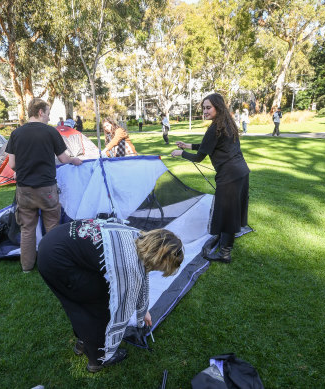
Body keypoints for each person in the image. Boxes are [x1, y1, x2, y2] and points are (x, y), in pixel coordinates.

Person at [38, 219, 183, 373]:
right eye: (162, 268)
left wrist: (144, 309)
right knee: (101, 308)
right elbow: (122, 308)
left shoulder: (138, 236)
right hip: (57, 261)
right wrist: (134, 316)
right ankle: (99, 358)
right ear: (158, 259)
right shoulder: (129, 265)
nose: (158, 271)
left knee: (79, 303)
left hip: (53, 241)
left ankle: (82, 341)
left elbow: (143, 273)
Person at [5, 98, 83, 272]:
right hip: (46, 189)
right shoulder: (51, 132)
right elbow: (63, 159)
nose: (48, 117)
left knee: (27, 229)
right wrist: (74, 160)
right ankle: (54, 265)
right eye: (48, 113)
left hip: (24, 190)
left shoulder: (16, 133)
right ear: (40, 112)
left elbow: (12, 165)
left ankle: (26, 267)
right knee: (53, 228)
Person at [170, 93, 249, 263]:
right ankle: (222, 239)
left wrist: (181, 152)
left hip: (229, 175)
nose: (205, 111)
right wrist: (188, 145)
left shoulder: (215, 127)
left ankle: (225, 253)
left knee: (227, 212)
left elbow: (199, 157)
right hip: (241, 172)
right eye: (203, 108)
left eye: (208, 108)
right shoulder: (226, 123)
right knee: (231, 211)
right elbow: (208, 145)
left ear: (217, 107)